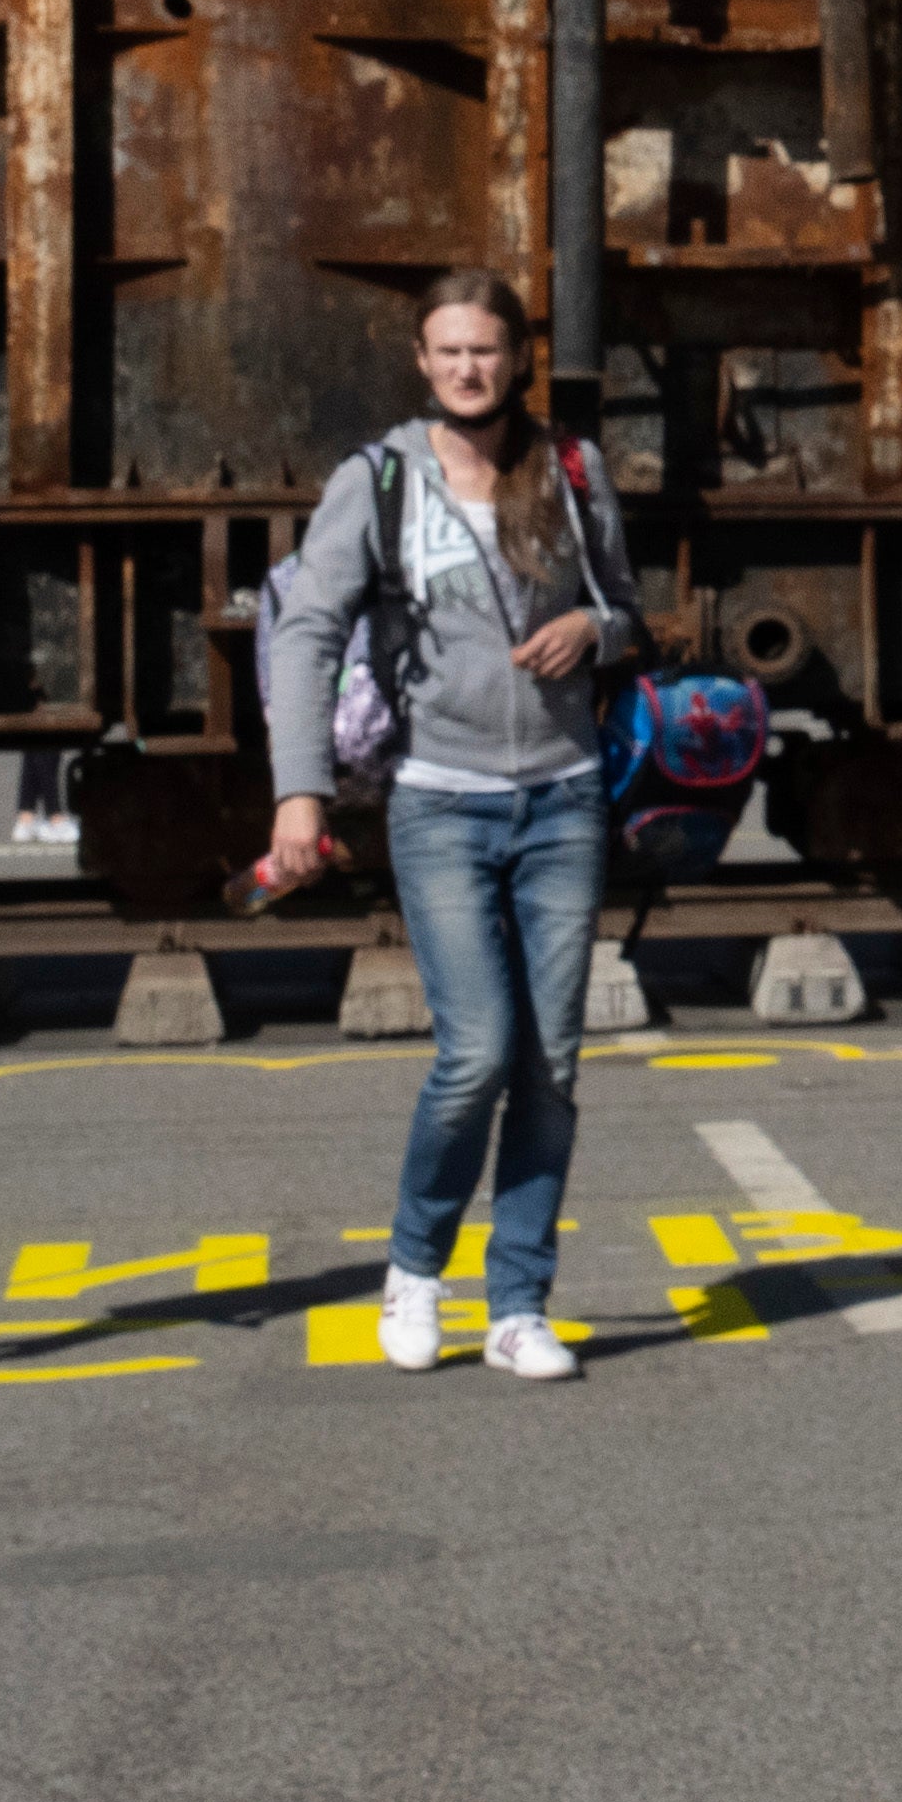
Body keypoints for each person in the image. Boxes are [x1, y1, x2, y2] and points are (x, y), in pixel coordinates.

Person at [252, 271, 644, 1384]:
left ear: (518, 357)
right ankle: (415, 1270)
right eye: (448, 351)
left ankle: (517, 1304)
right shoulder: (377, 479)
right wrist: (300, 790)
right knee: (474, 1054)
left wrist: (592, 628)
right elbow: (307, 634)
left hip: (564, 799)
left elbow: (628, 607)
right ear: (422, 363)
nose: (469, 368)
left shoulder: (570, 470)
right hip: (438, 802)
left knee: (550, 1065)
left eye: (487, 349)